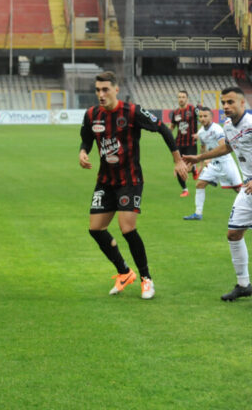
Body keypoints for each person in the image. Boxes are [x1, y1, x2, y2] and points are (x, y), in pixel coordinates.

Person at [79, 71, 188, 300]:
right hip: (105, 181)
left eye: (105, 89)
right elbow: (86, 138)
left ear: (116, 89)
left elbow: (163, 129)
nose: (101, 94)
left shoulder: (132, 111)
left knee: (127, 228)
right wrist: (82, 152)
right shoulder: (91, 115)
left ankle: (146, 279)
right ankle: (124, 272)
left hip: (130, 180)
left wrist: (177, 159)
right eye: (98, 90)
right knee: (95, 229)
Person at [182, 87, 252, 301]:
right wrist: (200, 157)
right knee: (233, 234)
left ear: (243, 103)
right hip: (248, 188)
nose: (226, 106)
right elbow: (227, 148)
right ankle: (243, 284)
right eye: (223, 103)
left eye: (231, 102)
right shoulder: (229, 126)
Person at [183, 106, 242, 220]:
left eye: (205, 116)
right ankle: (198, 213)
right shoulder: (201, 132)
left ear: (211, 117)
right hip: (213, 164)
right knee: (200, 184)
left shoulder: (217, 129)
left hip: (226, 163)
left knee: (240, 190)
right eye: (200, 116)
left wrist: (209, 159)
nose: (202, 118)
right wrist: (200, 165)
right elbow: (203, 148)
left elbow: (223, 147)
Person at [169, 90, 199, 197]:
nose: (181, 99)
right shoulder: (175, 112)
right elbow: (172, 126)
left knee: (186, 168)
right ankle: (185, 189)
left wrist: (200, 134)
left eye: (183, 97)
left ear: (187, 98)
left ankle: (194, 168)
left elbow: (203, 119)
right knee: (178, 168)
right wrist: (167, 134)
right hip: (178, 144)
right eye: (179, 97)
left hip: (191, 142)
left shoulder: (193, 109)